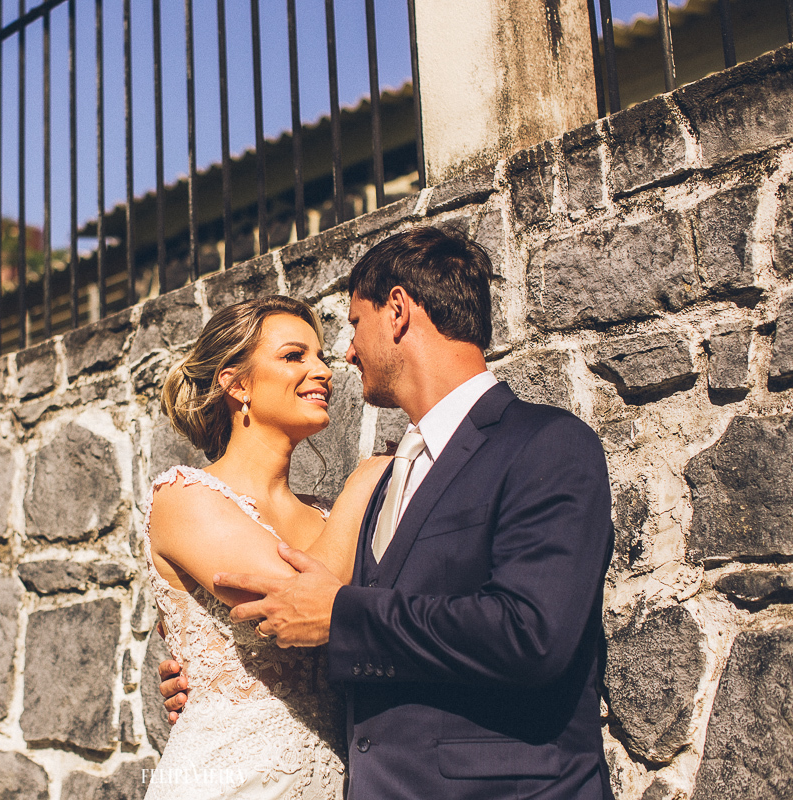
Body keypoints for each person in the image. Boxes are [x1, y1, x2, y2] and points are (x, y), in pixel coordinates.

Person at [160, 226, 615, 800]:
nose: (342, 358)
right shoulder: (377, 482)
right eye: (297, 354)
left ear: (397, 311)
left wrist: (339, 621)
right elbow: (311, 626)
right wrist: (215, 680)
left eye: (351, 326)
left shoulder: (547, 443)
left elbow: (533, 633)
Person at [142, 295, 392, 800]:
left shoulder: (325, 515)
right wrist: (362, 486)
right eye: (294, 356)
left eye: (320, 356)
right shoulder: (184, 497)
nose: (322, 370)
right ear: (236, 384)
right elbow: (297, 608)